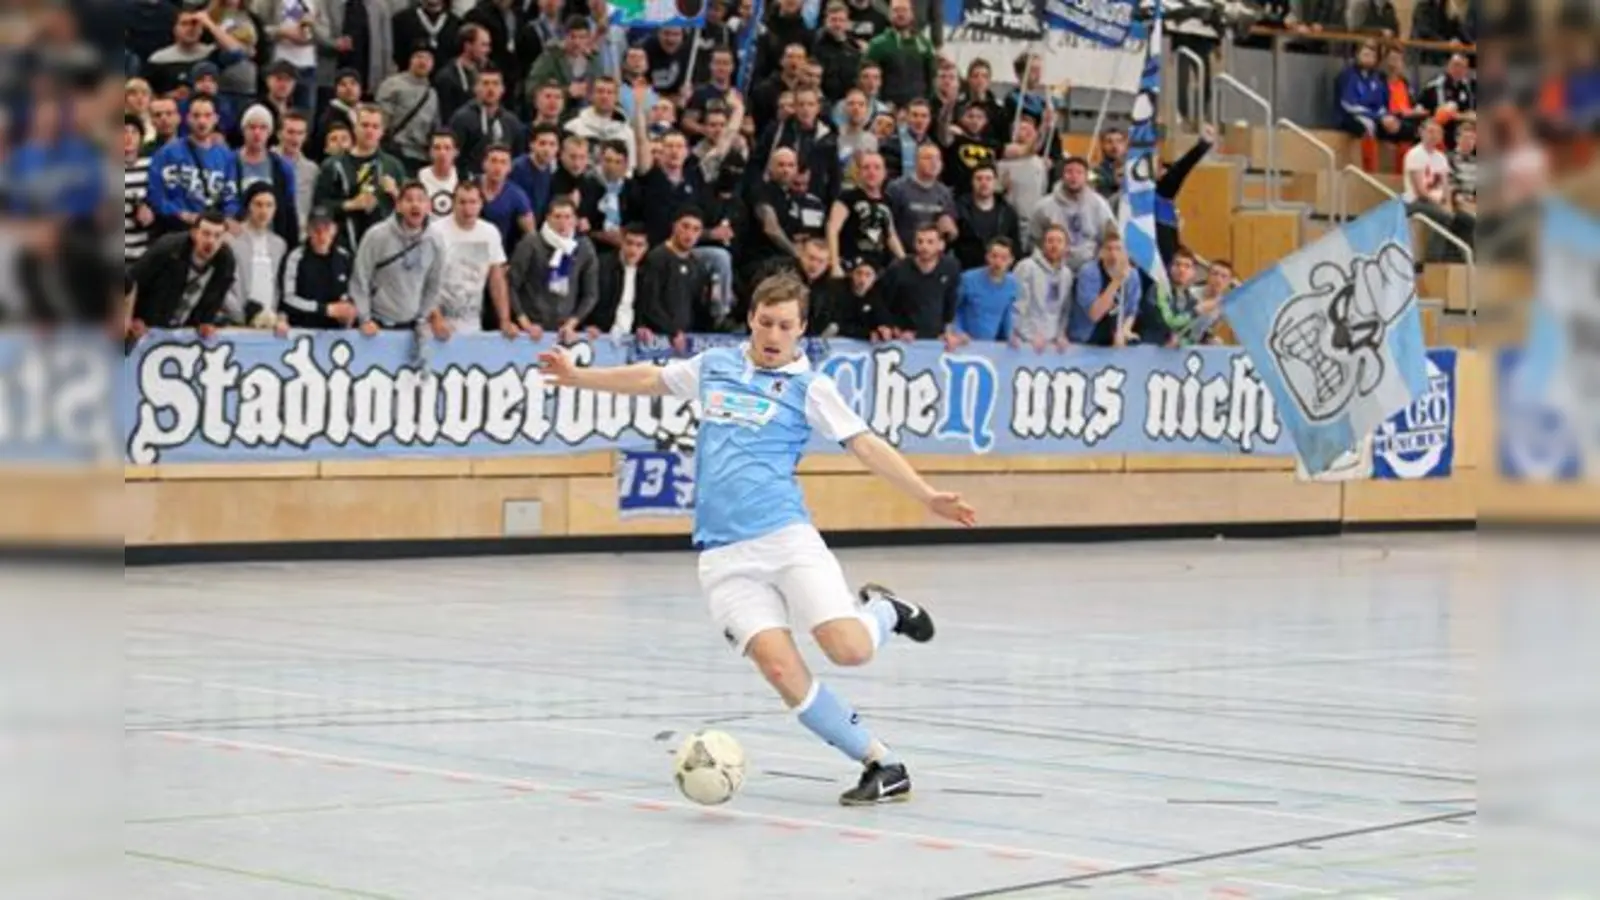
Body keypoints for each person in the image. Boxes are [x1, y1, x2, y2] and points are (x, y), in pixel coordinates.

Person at [536, 273, 977, 805]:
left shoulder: (810, 387)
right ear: (750, 318)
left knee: (850, 650)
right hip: (723, 557)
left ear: (801, 329)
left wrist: (927, 495)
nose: (773, 334)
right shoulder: (716, 366)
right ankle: (882, 763)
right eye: (765, 322)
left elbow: (865, 445)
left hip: (786, 539)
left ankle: (884, 611)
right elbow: (653, 379)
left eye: (785, 326)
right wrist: (580, 376)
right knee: (779, 668)